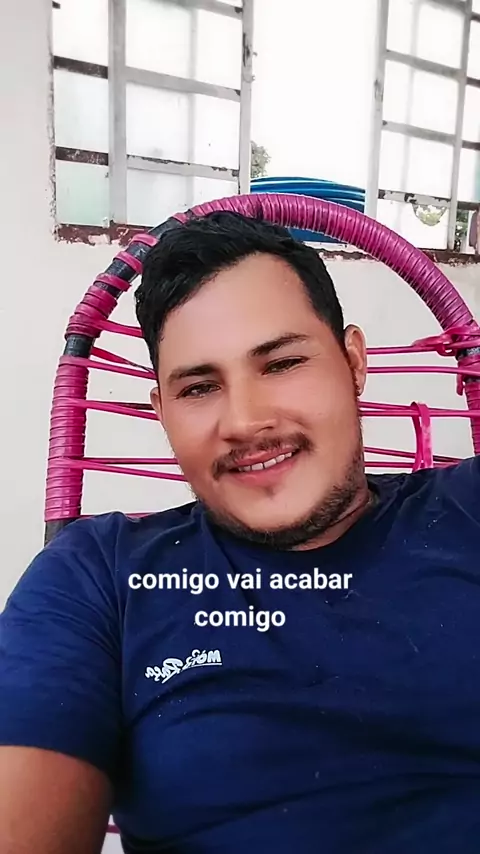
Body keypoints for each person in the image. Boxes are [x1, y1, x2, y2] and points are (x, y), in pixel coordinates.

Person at [1, 211, 479, 854]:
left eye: (282, 363)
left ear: (353, 362)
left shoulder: (467, 508)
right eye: (200, 387)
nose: (245, 421)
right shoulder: (97, 580)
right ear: (163, 412)